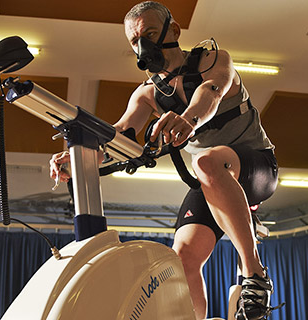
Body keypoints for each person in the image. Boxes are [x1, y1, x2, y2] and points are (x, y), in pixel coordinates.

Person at [49, 2, 279, 319]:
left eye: (151, 33)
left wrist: (189, 119)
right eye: (135, 41)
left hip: (256, 167)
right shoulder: (147, 94)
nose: (143, 45)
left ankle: (255, 276)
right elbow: (120, 135)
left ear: (174, 31)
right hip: (211, 178)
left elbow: (211, 92)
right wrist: (80, 155)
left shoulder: (213, 60)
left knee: (207, 162)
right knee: (181, 257)